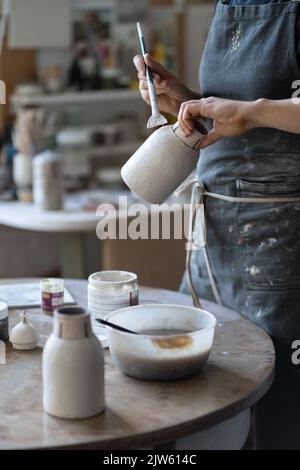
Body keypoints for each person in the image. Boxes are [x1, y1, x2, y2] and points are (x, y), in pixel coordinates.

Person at [134, 0, 300, 450]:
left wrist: (255, 110)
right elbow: (230, 118)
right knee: (212, 393)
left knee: (278, 405)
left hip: (279, 242)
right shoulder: (230, 6)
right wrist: (183, 98)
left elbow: (254, 114)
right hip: (214, 236)